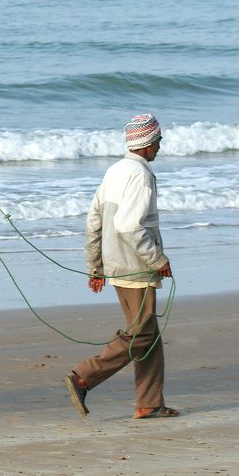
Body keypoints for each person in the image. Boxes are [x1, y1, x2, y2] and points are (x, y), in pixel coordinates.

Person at [65, 113, 178, 420]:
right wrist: (158, 260)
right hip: (135, 266)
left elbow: (94, 221)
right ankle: (84, 376)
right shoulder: (140, 175)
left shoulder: (114, 170)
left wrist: (96, 266)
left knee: (149, 336)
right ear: (148, 142)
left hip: (117, 265)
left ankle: (150, 403)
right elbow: (130, 226)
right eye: (158, 140)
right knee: (141, 334)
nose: (160, 145)